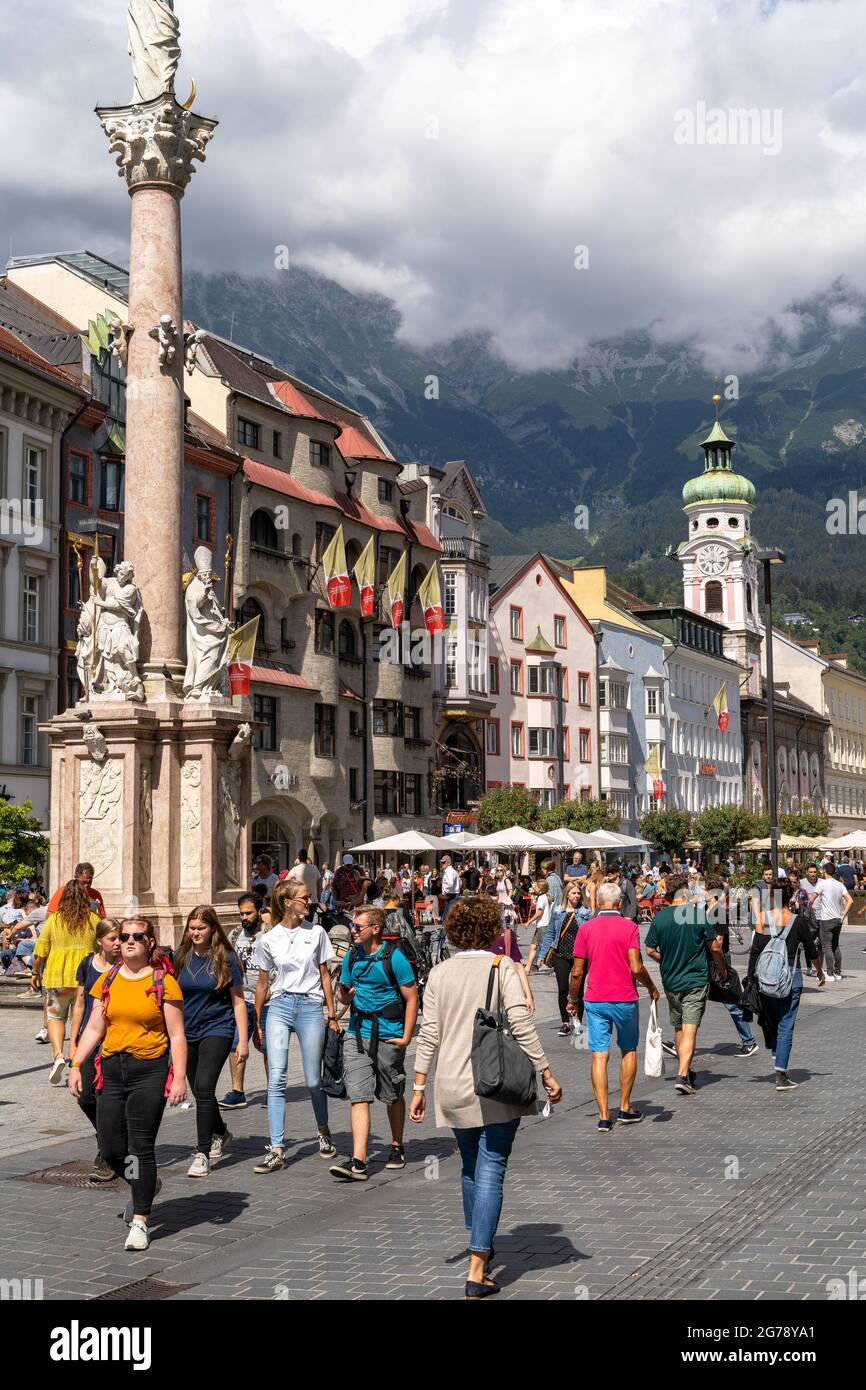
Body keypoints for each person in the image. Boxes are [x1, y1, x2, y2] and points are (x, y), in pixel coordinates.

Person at [410, 896, 562, 1297]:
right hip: (496, 1082)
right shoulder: (502, 967)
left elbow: (429, 1033)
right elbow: (522, 1023)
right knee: (493, 1165)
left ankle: (480, 1242)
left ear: (455, 930)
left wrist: (419, 1084)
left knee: (471, 1166)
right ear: (493, 929)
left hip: (453, 1084)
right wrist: (545, 1070)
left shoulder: (439, 973)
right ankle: (477, 1267)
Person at [68, 916, 187, 1251]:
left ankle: (140, 1220)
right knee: (111, 1149)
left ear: (151, 943)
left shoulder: (165, 982)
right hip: (111, 1069)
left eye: (138, 936)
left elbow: (177, 1035)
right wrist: (76, 1063)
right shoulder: (107, 979)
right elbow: (93, 1027)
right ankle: (144, 1185)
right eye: (125, 936)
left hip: (148, 1070)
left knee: (140, 1147)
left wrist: (178, 1077)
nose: (130, 940)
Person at [252, 879, 340, 1174]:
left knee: (314, 1080)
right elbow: (264, 983)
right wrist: (256, 1020)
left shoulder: (317, 933)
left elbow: (324, 974)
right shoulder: (269, 939)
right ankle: (277, 1148)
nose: (310, 900)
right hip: (280, 1005)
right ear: (288, 902)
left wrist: (332, 1013)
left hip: (311, 1005)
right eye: (305, 897)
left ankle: (323, 1129)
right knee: (276, 1078)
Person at [330, 905, 419, 1181]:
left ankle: (396, 1144)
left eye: (358, 927)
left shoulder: (395, 958)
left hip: (388, 1033)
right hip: (358, 1033)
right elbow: (344, 997)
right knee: (359, 1095)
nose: (353, 931)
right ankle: (358, 1161)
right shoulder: (352, 956)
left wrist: (406, 1036)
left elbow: (412, 997)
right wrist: (345, 995)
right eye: (353, 926)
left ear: (375, 929)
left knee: (392, 1093)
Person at [568, 882, 659, 1130]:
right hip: (625, 998)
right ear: (619, 903)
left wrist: (572, 999)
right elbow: (636, 966)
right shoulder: (629, 927)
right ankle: (625, 1106)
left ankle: (603, 1115)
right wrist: (651, 988)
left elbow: (577, 972)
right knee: (628, 1049)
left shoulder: (586, 929)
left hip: (595, 999)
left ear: (597, 902)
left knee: (599, 1055)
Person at [175, 905, 248, 1177]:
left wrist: (241, 1041)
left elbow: (238, 1002)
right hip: (187, 1031)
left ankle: (202, 1153)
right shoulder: (180, 956)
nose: (195, 933)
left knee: (204, 1086)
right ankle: (220, 1131)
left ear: (213, 929)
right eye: (192, 928)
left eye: (201, 928)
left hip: (217, 1028)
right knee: (199, 1090)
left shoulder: (225, 957)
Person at [645, 875, 727, 1095]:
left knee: (679, 1027)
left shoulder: (659, 918)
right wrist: (721, 968)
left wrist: (667, 960)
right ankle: (682, 1075)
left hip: (671, 980)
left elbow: (649, 950)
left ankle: (686, 1069)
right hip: (695, 979)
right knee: (690, 1028)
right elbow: (715, 948)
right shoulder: (697, 915)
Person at [747, 879, 826, 1090]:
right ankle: (781, 1074)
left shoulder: (763, 917)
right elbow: (811, 951)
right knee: (786, 1024)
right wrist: (819, 971)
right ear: (791, 895)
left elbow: (755, 950)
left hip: (766, 978)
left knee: (771, 1019)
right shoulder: (797, 921)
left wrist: (750, 977)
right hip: (791, 978)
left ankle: (777, 1056)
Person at [69, 918, 122, 1181]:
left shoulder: (126, 967)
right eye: (113, 938)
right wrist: (73, 1040)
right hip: (90, 1039)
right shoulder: (88, 964)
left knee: (105, 1097)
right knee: (85, 1096)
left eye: (120, 938)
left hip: (115, 1038)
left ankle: (108, 1154)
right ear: (100, 940)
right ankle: (105, 1134)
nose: (118, 944)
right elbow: (80, 1004)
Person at [31, 881, 100, 1085]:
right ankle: (78, 1059)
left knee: (55, 1016)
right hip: (84, 979)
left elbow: (41, 949)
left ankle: (59, 1055)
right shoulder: (93, 920)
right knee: (83, 1021)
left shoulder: (55, 920)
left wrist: (35, 971)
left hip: (57, 976)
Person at [703, 875, 759, 1057]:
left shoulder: (717, 912)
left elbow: (717, 943)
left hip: (718, 961)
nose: (701, 892)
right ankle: (681, 1040)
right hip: (707, 960)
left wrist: (721, 969)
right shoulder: (706, 909)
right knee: (695, 1000)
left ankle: (749, 1041)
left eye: (704, 889)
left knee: (731, 1002)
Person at [222, 893, 269, 1108]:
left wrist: (270, 992)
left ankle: (273, 1090)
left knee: (268, 1046)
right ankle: (237, 1090)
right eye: (241, 913)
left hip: (268, 1001)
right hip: (242, 999)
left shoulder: (269, 935)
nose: (244, 917)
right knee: (236, 1044)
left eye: (248, 913)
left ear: (259, 911)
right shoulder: (235, 935)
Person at [549, 880, 591, 1035]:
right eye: (574, 893)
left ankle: (578, 1021)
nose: (577, 896)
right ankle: (565, 1023)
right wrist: (542, 954)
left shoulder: (586, 912)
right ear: (567, 894)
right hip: (560, 954)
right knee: (563, 989)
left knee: (579, 990)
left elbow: (590, 935)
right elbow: (550, 932)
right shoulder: (558, 910)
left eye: (579, 893)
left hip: (579, 956)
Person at [809, 861, 852, 983]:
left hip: (826, 919)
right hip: (837, 919)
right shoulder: (839, 885)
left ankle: (829, 973)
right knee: (835, 945)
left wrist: (811, 909)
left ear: (824, 871)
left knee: (826, 946)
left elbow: (811, 900)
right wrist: (843, 915)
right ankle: (838, 972)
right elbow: (850, 900)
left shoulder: (822, 884)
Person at [524, 878, 552, 973]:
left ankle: (550, 965)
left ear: (540, 888)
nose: (533, 887)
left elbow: (539, 913)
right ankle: (528, 967)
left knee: (545, 946)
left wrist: (528, 921)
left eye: (535, 886)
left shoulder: (541, 898)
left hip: (543, 925)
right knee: (533, 946)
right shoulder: (543, 897)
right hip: (540, 925)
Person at [285, 850, 322, 916]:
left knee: (300, 921)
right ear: (306, 857)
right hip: (313, 899)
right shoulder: (314, 868)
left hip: (300, 900)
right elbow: (319, 884)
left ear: (298, 858)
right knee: (310, 921)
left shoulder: (295, 869)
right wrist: (318, 896)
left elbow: (286, 881)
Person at [440, 855, 462, 921]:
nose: (442, 864)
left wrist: (445, 892)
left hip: (451, 896)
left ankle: (446, 931)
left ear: (448, 863)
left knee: (447, 918)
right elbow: (460, 882)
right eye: (442, 862)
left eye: (444, 862)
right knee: (451, 917)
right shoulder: (453, 871)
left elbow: (450, 884)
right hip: (453, 895)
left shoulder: (449, 871)